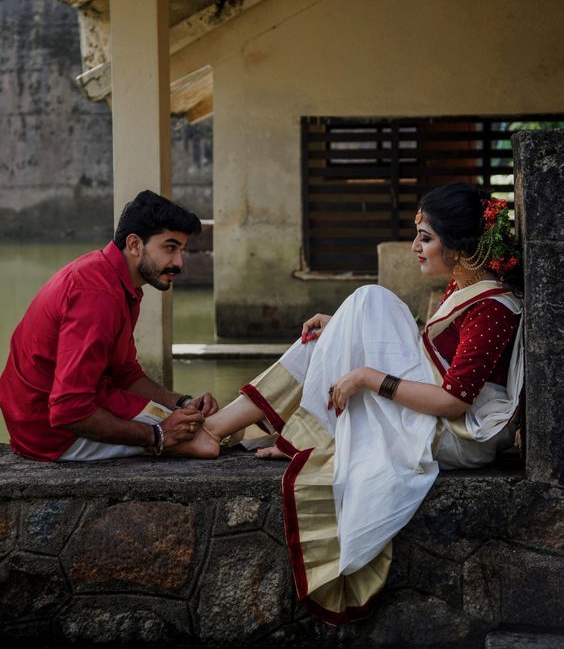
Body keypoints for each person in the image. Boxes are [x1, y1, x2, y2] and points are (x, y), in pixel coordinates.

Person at [174, 183, 524, 624]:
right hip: (437, 413)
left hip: (454, 433)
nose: (415, 247)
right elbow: (424, 353)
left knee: (369, 300)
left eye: (426, 238)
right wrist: (343, 329)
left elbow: (454, 402)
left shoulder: (491, 308)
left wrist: (368, 377)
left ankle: (226, 431)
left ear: (461, 247)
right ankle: (219, 430)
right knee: (332, 329)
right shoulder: (467, 285)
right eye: (417, 234)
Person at [0, 190, 219, 462]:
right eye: (170, 247)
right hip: (50, 432)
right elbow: (68, 408)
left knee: (206, 425)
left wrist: (182, 402)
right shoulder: (97, 293)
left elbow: (124, 373)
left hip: (86, 403)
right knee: (206, 441)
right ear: (135, 244)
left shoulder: (118, 282)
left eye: (181, 250)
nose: (179, 263)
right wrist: (157, 435)